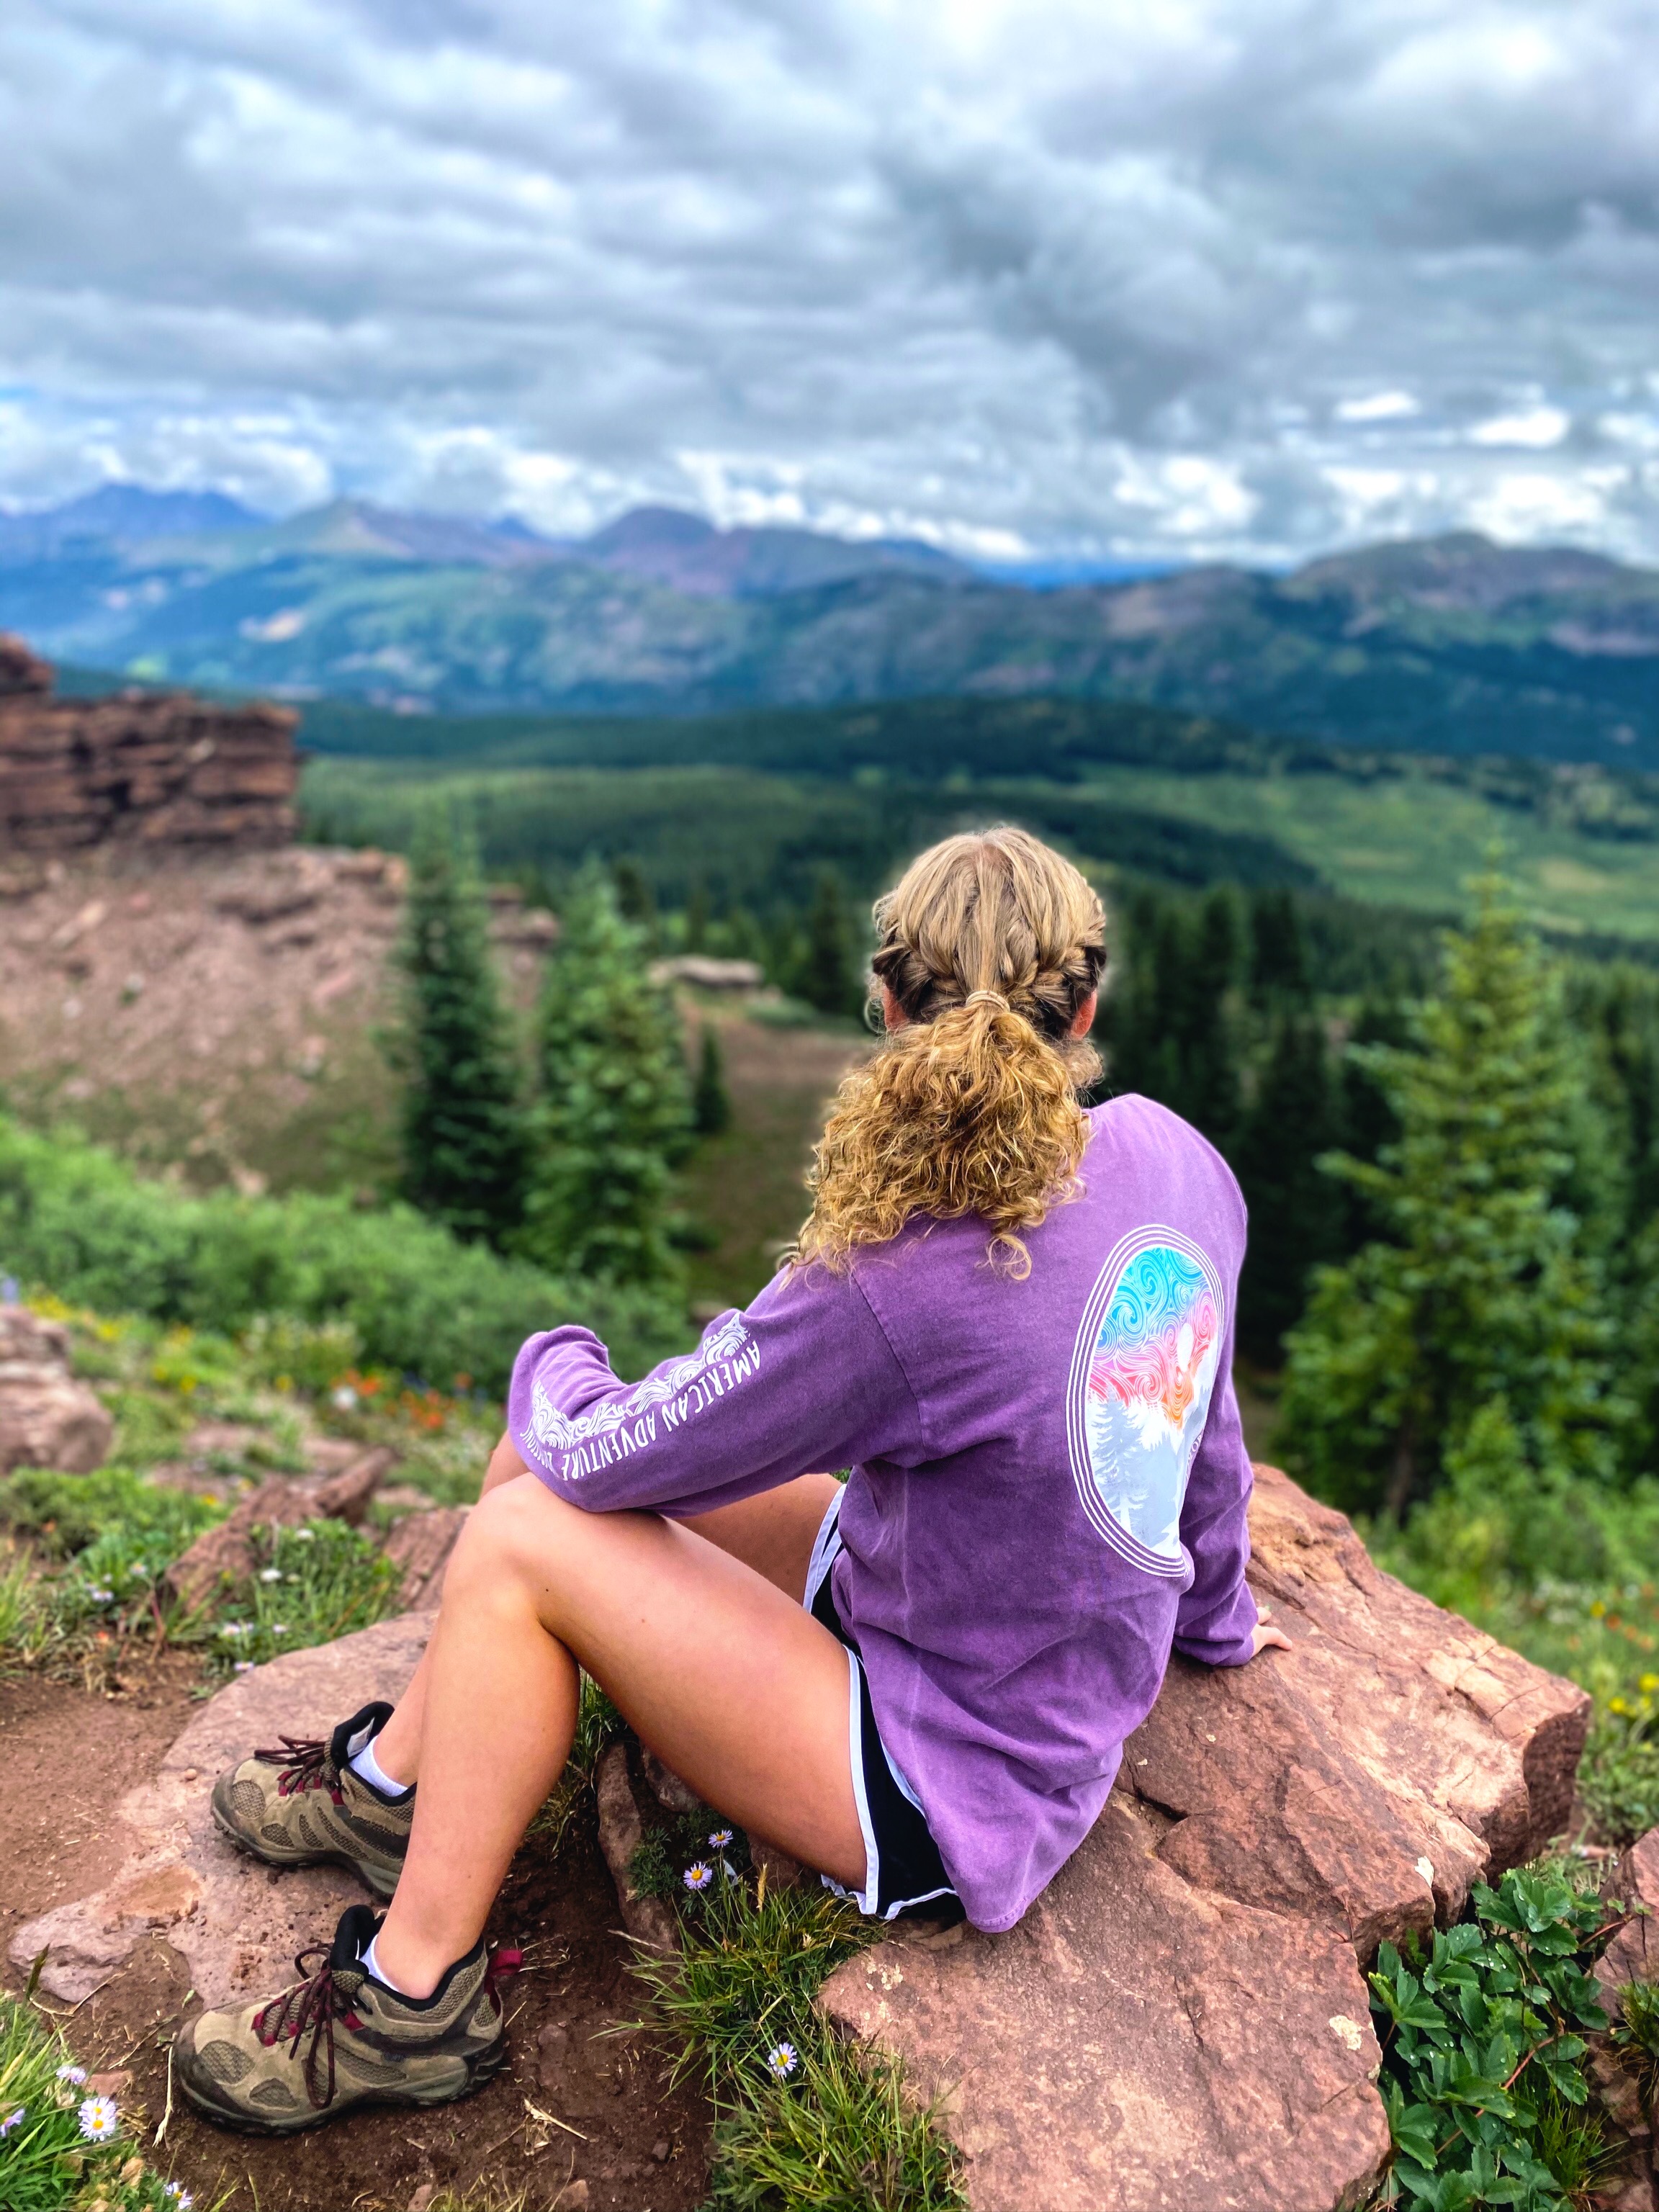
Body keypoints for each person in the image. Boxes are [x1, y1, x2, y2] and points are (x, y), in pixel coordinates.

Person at [176, 825, 1290, 2132]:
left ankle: (411, 2002)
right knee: (535, 1477)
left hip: (946, 1786)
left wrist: (555, 1361)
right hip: (954, 1635)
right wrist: (1212, 1622)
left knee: (529, 1525)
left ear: (887, 1006)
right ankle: (392, 1799)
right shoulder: (1177, 1161)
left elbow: (615, 1450)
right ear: (1088, 1006)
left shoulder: (897, 1275)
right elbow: (1203, 1441)